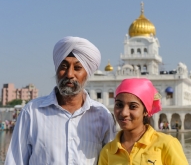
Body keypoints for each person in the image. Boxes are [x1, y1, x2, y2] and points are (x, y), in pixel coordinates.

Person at [5, 36, 116, 165]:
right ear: (57, 70)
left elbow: (110, 160)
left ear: (87, 73)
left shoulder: (102, 115)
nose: (69, 74)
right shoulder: (32, 112)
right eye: (63, 66)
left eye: (77, 68)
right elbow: (14, 161)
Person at [98, 78, 189, 165]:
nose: (124, 112)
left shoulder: (166, 144)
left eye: (133, 106)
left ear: (146, 111)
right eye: (119, 105)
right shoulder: (108, 151)